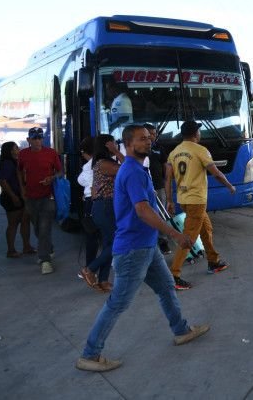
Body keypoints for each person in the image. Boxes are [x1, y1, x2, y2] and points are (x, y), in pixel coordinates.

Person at [76, 125, 209, 373]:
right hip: (133, 250)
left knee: (166, 287)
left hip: (146, 246)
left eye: (149, 138)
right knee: (119, 303)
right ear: (128, 143)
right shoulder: (133, 171)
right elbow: (142, 210)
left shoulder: (132, 166)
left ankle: (181, 330)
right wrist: (174, 233)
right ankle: (90, 355)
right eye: (141, 139)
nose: (148, 142)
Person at [165, 120, 234, 290]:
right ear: (196, 134)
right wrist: (229, 186)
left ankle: (213, 261)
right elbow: (215, 173)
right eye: (199, 131)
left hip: (184, 199)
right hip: (196, 199)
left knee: (206, 228)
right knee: (188, 237)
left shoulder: (174, 152)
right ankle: (174, 275)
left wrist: (169, 200)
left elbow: (168, 179)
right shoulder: (201, 150)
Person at [80, 134, 124, 293]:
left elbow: (93, 187)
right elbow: (129, 169)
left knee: (108, 244)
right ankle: (90, 269)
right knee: (118, 243)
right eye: (113, 143)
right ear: (107, 146)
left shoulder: (100, 164)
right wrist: (117, 152)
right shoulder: (103, 164)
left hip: (105, 206)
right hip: (106, 206)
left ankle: (104, 281)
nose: (116, 145)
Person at [17, 126, 63, 274]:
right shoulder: (23, 154)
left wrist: (53, 178)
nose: (37, 141)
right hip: (30, 197)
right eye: (34, 138)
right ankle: (48, 249)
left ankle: (45, 260)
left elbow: (60, 171)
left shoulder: (51, 153)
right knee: (37, 228)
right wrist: (22, 188)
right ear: (28, 140)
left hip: (48, 196)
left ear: (43, 139)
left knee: (44, 228)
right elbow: (19, 170)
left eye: (39, 138)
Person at [0, 142, 34, 258]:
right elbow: (3, 180)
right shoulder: (8, 163)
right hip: (12, 197)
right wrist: (13, 196)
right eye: (16, 148)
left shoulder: (16, 162)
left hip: (20, 195)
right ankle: (11, 250)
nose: (19, 149)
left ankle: (27, 246)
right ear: (10, 151)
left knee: (25, 221)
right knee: (13, 223)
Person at [144, 123, 172, 255]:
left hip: (158, 185)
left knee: (161, 214)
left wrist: (167, 182)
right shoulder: (138, 148)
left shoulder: (159, 148)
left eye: (155, 134)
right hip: (143, 187)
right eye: (151, 134)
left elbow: (165, 166)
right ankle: (148, 241)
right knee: (145, 214)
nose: (154, 136)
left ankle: (163, 241)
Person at [77, 136, 99, 267]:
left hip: (92, 201)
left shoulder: (89, 166)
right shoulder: (107, 162)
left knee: (91, 235)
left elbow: (91, 185)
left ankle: (90, 267)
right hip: (103, 199)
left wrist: (90, 197)